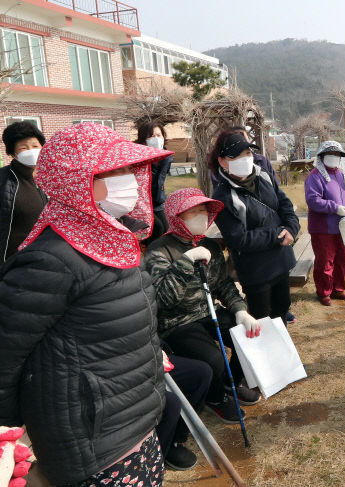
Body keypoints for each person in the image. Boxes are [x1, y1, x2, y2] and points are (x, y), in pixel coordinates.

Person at [0, 122, 171, 485]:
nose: (127, 179)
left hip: (137, 418)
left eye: (128, 169)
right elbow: (5, 349)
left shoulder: (116, 235)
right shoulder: (52, 258)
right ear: (74, 181)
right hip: (93, 442)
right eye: (112, 171)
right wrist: (12, 426)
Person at [144, 187, 262, 423]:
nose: (201, 216)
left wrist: (240, 311)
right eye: (193, 211)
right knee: (214, 358)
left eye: (204, 210)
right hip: (177, 322)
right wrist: (187, 261)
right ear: (177, 216)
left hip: (208, 311)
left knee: (249, 336)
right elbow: (164, 300)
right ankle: (216, 397)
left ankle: (230, 384)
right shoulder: (159, 250)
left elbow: (224, 285)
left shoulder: (211, 245)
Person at [211, 132, 301, 321]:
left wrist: (292, 227)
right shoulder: (223, 197)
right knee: (261, 315)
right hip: (256, 269)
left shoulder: (264, 175)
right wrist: (278, 234)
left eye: (248, 154)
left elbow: (285, 204)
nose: (246, 159)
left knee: (282, 308)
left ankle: (280, 350)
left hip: (281, 260)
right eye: (237, 155)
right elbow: (239, 239)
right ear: (222, 161)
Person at [305, 140, 345, 306]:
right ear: (321, 156)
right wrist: (336, 208)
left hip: (342, 226)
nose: (334, 157)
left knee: (344, 258)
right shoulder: (315, 176)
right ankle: (324, 292)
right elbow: (313, 201)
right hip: (323, 228)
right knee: (325, 261)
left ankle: (338, 289)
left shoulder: (341, 174)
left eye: (337, 155)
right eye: (330, 154)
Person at [0, 121, 47, 264]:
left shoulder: (49, 178)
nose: (31, 151)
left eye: (34, 146)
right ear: (12, 152)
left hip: (44, 258)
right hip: (11, 261)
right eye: (23, 148)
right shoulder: (3, 178)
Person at [137, 122, 174, 243]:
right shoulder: (139, 160)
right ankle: (150, 254)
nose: (156, 139)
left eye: (159, 135)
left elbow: (161, 180)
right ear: (143, 140)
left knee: (167, 231)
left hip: (158, 201)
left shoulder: (166, 158)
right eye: (152, 136)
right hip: (143, 204)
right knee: (156, 230)